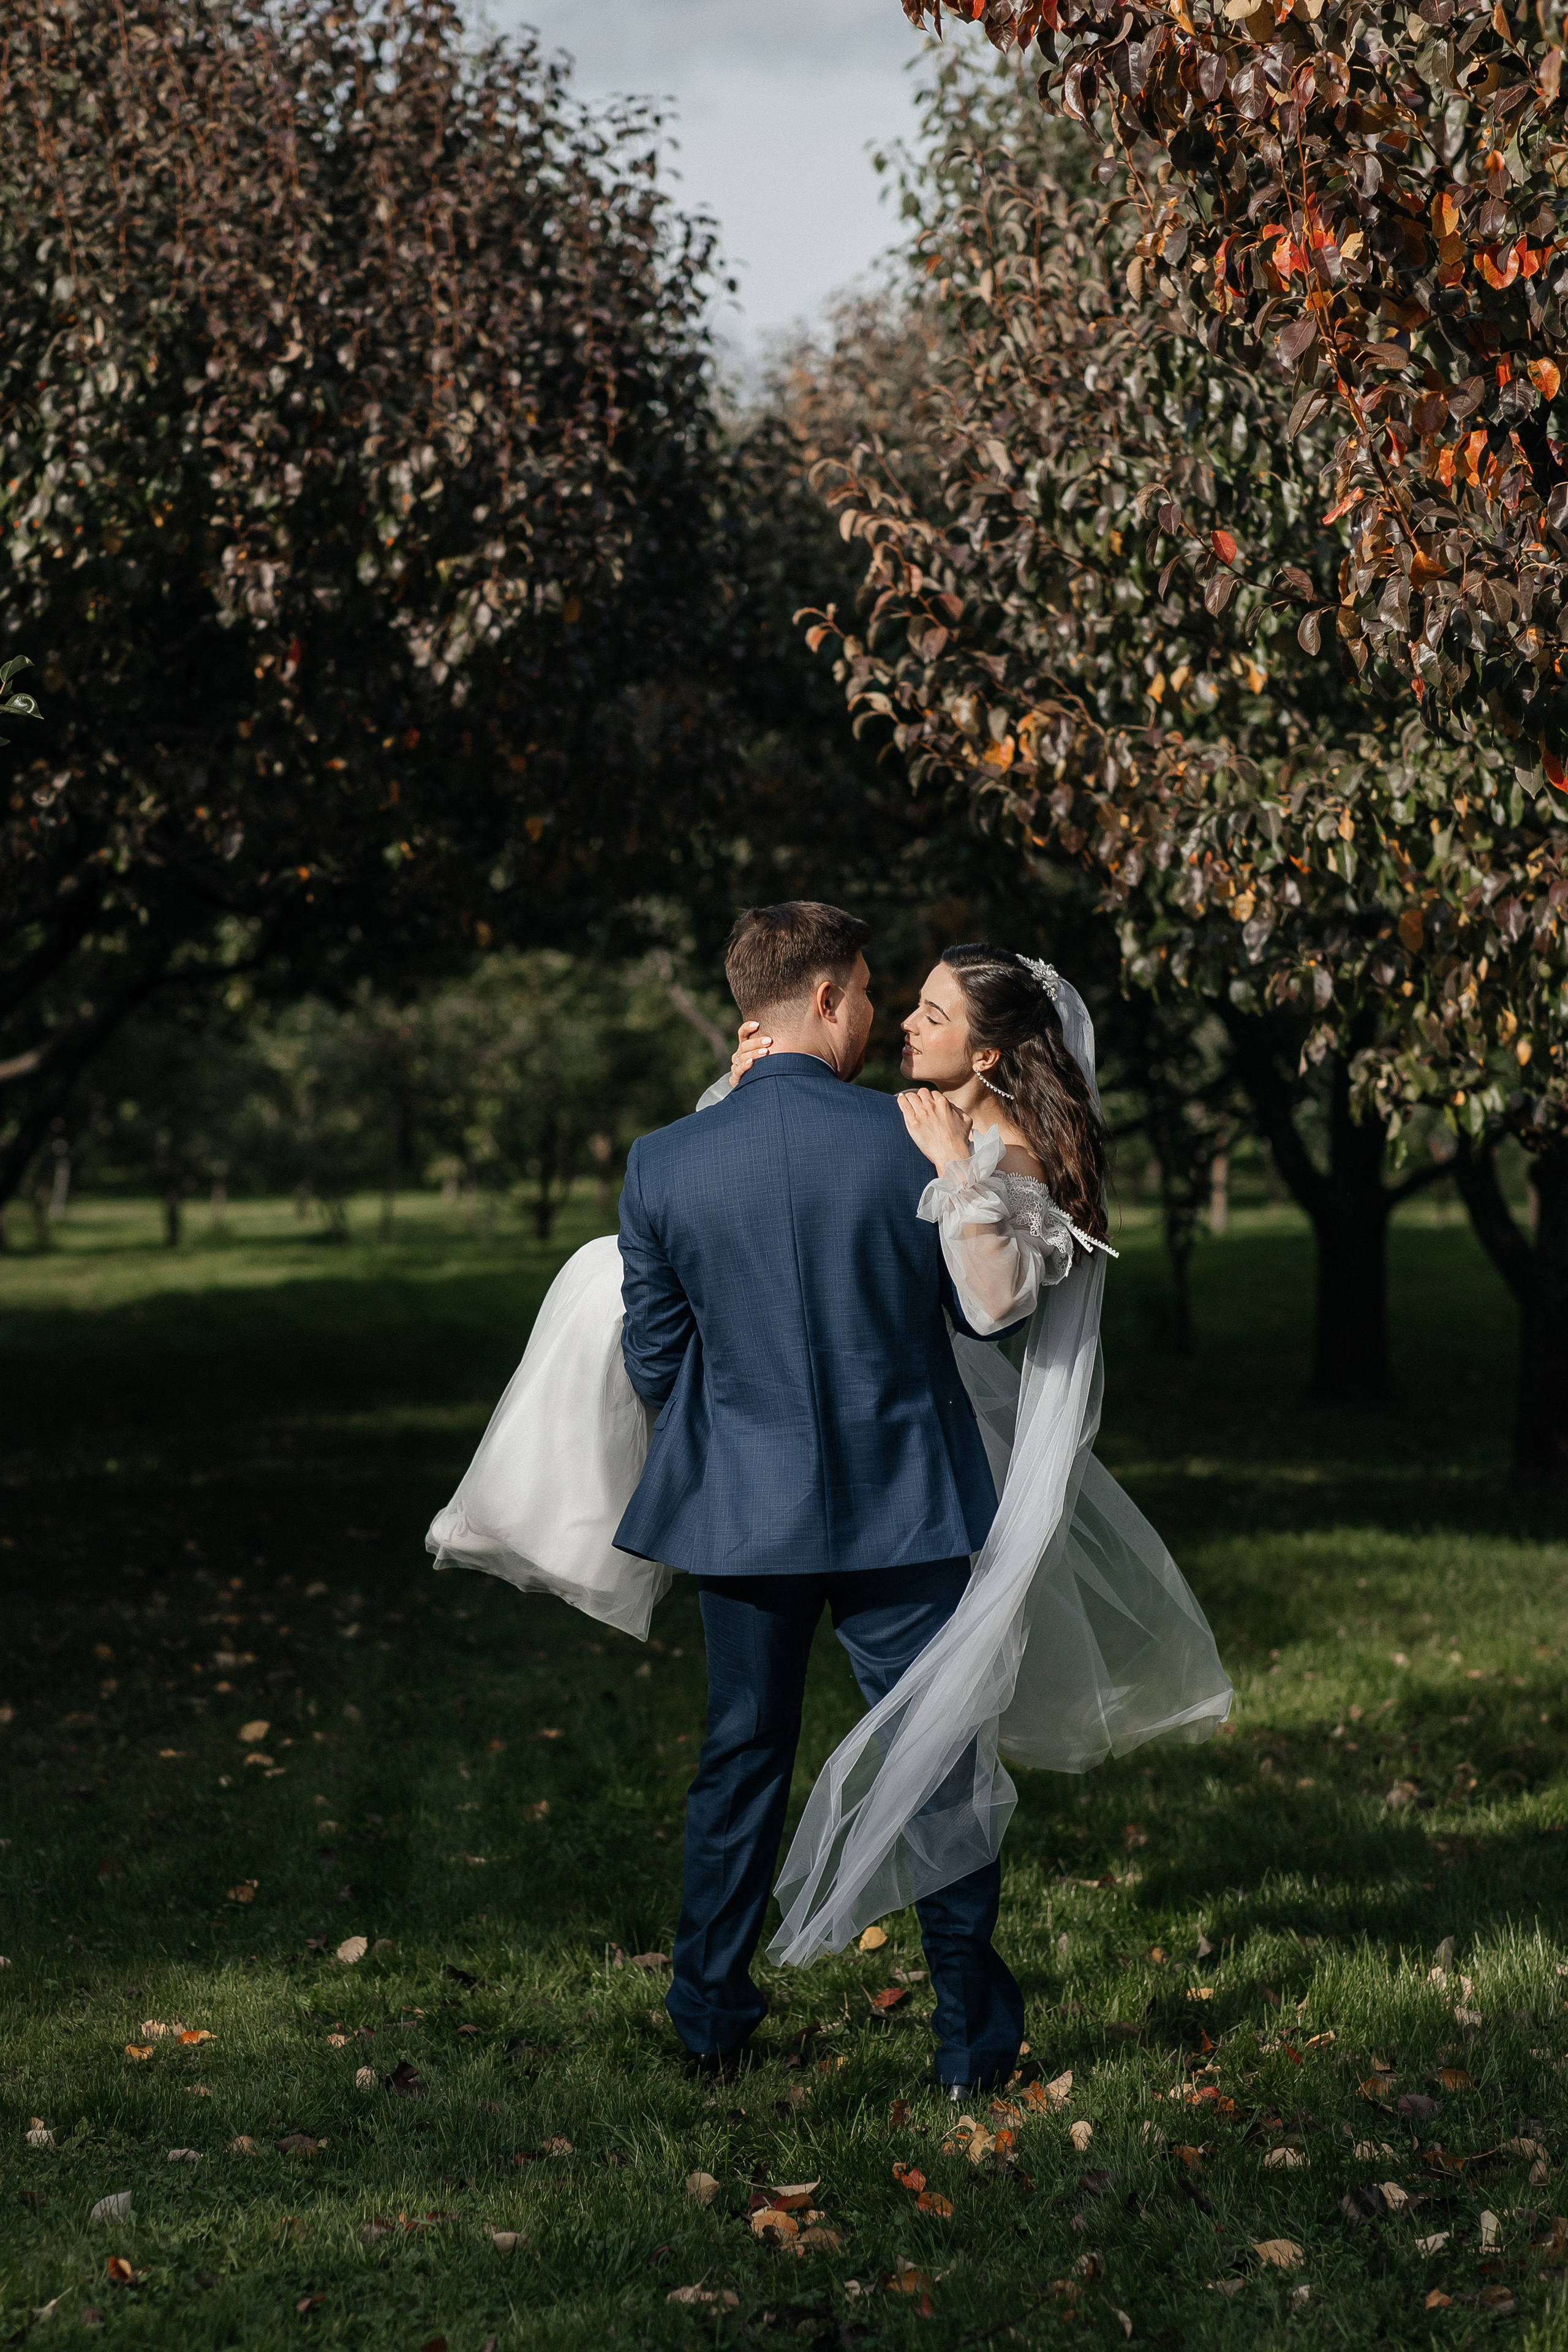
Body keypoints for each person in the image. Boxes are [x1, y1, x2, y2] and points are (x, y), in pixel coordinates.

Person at [426, 908, 1231, 2079]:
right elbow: (975, 1313)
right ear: (826, 1001)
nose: (883, 1014)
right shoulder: (919, 1140)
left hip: (739, 1516)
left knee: (738, 1760)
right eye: (868, 992)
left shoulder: (665, 1159)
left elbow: (656, 1359)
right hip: (906, 1502)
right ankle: (972, 2046)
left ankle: (708, 2029)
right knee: (941, 1764)